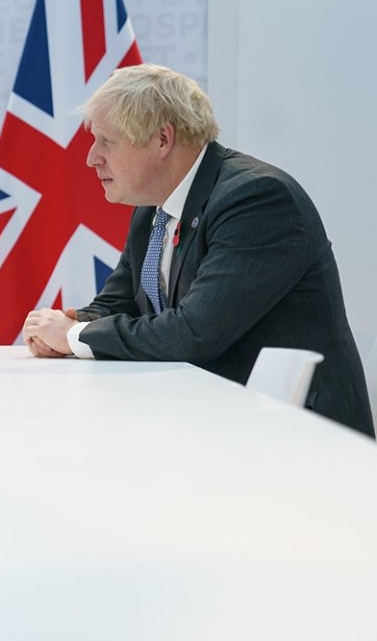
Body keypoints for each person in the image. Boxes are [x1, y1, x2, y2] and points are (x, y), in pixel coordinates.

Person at [22, 64, 373, 437]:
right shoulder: (154, 210)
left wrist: (76, 337)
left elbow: (194, 332)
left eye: (107, 141)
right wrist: (59, 329)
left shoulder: (257, 199)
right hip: (215, 421)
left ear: (162, 139)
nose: (92, 158)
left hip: (303, 442)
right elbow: (117, 304)